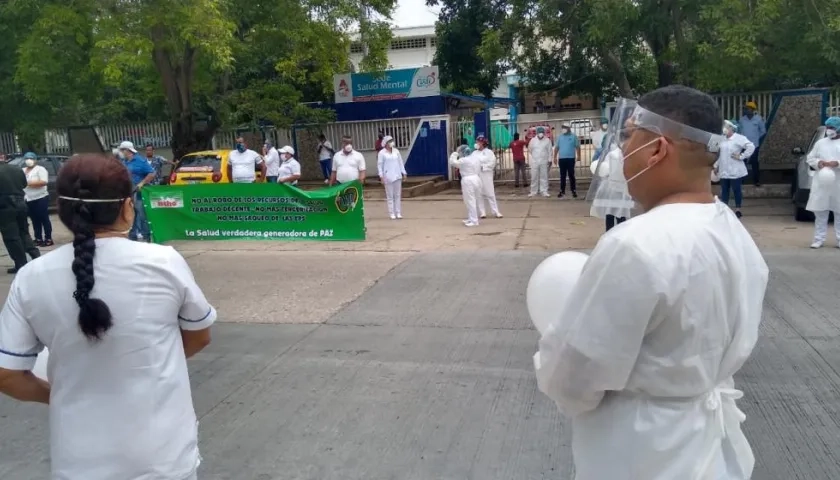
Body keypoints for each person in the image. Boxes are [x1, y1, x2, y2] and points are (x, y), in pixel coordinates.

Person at [535, 85, 769, 479]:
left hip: (642, 452)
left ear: (657, 150)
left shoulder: (635, 244)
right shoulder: (732, 231)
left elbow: (574, 375)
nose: (623, 150)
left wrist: (549, 356)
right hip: (706, 448)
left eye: (628, 136)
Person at [0, 154, 216, 480]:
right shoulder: (163, 262)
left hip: (78, 462)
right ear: (127, 207)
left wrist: (57, 394)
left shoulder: (31, 277)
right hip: (164, 458)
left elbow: (7, 375)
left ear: (66, 212)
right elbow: (199, 335)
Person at [0, 154, 40, 273]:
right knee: (23, 232)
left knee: (11, 236)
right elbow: (24, 184)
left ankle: (21, 263)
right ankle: (35, 256)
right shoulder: (17, 169)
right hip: (21, 203)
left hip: (5, 206)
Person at [805, 116, 840, 249]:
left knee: (839, 211)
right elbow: (810, 158)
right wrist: (819, 163)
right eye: (828, 127)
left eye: (831, 128)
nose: (828, 130)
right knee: (820, 211)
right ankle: (819, 239)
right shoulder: (821, 143)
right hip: (821, 181)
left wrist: (836, 163)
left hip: (838, 182)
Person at [715, 120, 755, 218]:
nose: (724, 129)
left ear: (731, 128)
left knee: (736, 189)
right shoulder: (722, 139)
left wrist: (741, 156)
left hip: (735, 170)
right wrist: (716, 166)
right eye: (723, 126)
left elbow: (751, 146)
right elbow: (721, 155)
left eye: (726, 127)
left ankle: (738, 209)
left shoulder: (739, 138)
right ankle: (725, 210)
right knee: (724, 190)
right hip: (724, 169)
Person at [118, 141, 156, 242]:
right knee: (130, 217)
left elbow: (152, 173)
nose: (121, 152)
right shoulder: (124, 162)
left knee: (143, 217)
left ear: (128, 150)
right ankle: (132, 238)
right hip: (128, 193)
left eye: (122, 150)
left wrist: (142, 183)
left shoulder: (140, 161)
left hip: (139, 194)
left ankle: (146, 238)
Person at [22, 152, 54, 247]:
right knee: (35, 220)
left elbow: (43, 182)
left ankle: (48, 238)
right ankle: (38, 238)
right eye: (27, 158)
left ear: (35, 160)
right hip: (28, 198)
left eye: (31, 158)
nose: (29, 160)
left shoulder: (40, 169)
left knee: (43, 218)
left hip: (40, 197)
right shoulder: (23, 170)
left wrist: (27, 184)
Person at [449, 145, 482, 227]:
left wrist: (454, 154)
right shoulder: (475, 158)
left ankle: (474, 221)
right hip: (476, 178)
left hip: (468, 180)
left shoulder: (463, 160)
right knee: (473, 199)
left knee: (470, 200)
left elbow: (452, 162)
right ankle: (471, 218)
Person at [377, 135, 407, 220]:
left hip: (397, 175)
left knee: (397, 195)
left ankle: (398, 212)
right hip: (388, 176)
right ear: (385, 143)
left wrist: (404, 173)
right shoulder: (382, 153)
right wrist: (381, 176)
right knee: (390, 196)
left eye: (392, 141)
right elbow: (380, 165)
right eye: (390, 141)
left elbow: (400, 162)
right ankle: (392, 213)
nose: (391, 142)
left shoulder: (396, 151)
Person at [738, 101, 766, 187]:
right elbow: (739, 131)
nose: (746, 110)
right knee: (742, 163)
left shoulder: (758, 119)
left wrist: (756, 138)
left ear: (753, 110)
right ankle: (741, 181)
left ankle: (756, 181)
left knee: (754, 163)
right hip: (744, 145)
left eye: (748, 109)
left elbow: (763, 131)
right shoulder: (742, 120)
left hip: (754, 145)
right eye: (746, 109)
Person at [475, 136, 503, 218]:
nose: (477, 144)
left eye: (478, 142)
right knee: (479, 194)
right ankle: (482, 212)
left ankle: (496, 211)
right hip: (477, 176)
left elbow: (492, 163)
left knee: (490, 193)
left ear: (483, 143)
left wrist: (483, 167)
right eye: (477, 142)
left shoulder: (489, 152)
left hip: (486, 175)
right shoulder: (474, 153)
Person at [554, 123, 581, 198]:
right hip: (562, 159)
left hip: (570, 158)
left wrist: (579, 156)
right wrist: (554, 157)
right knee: (562, 175)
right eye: (563, 127)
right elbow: (556, 148)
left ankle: (573, 190)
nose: (563, 128)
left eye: (565, 127)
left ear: (569, 128)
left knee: (571, 175)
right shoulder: (560, 137)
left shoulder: (573, 136)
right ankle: (562, 191)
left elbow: (577, 147)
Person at [528, 126, 553, 197]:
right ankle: (533, 191)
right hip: (535, 161)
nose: (540, 134)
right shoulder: (533, 140)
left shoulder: (547, 140)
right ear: (537, 133)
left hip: (544, 161)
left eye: (542, 132)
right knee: (534, 176)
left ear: (544, 133)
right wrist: (534, 157)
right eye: (539, 132)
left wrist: (550, 160)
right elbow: (530, 149)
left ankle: (544, 191)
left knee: (544, 176)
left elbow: (550, 151)